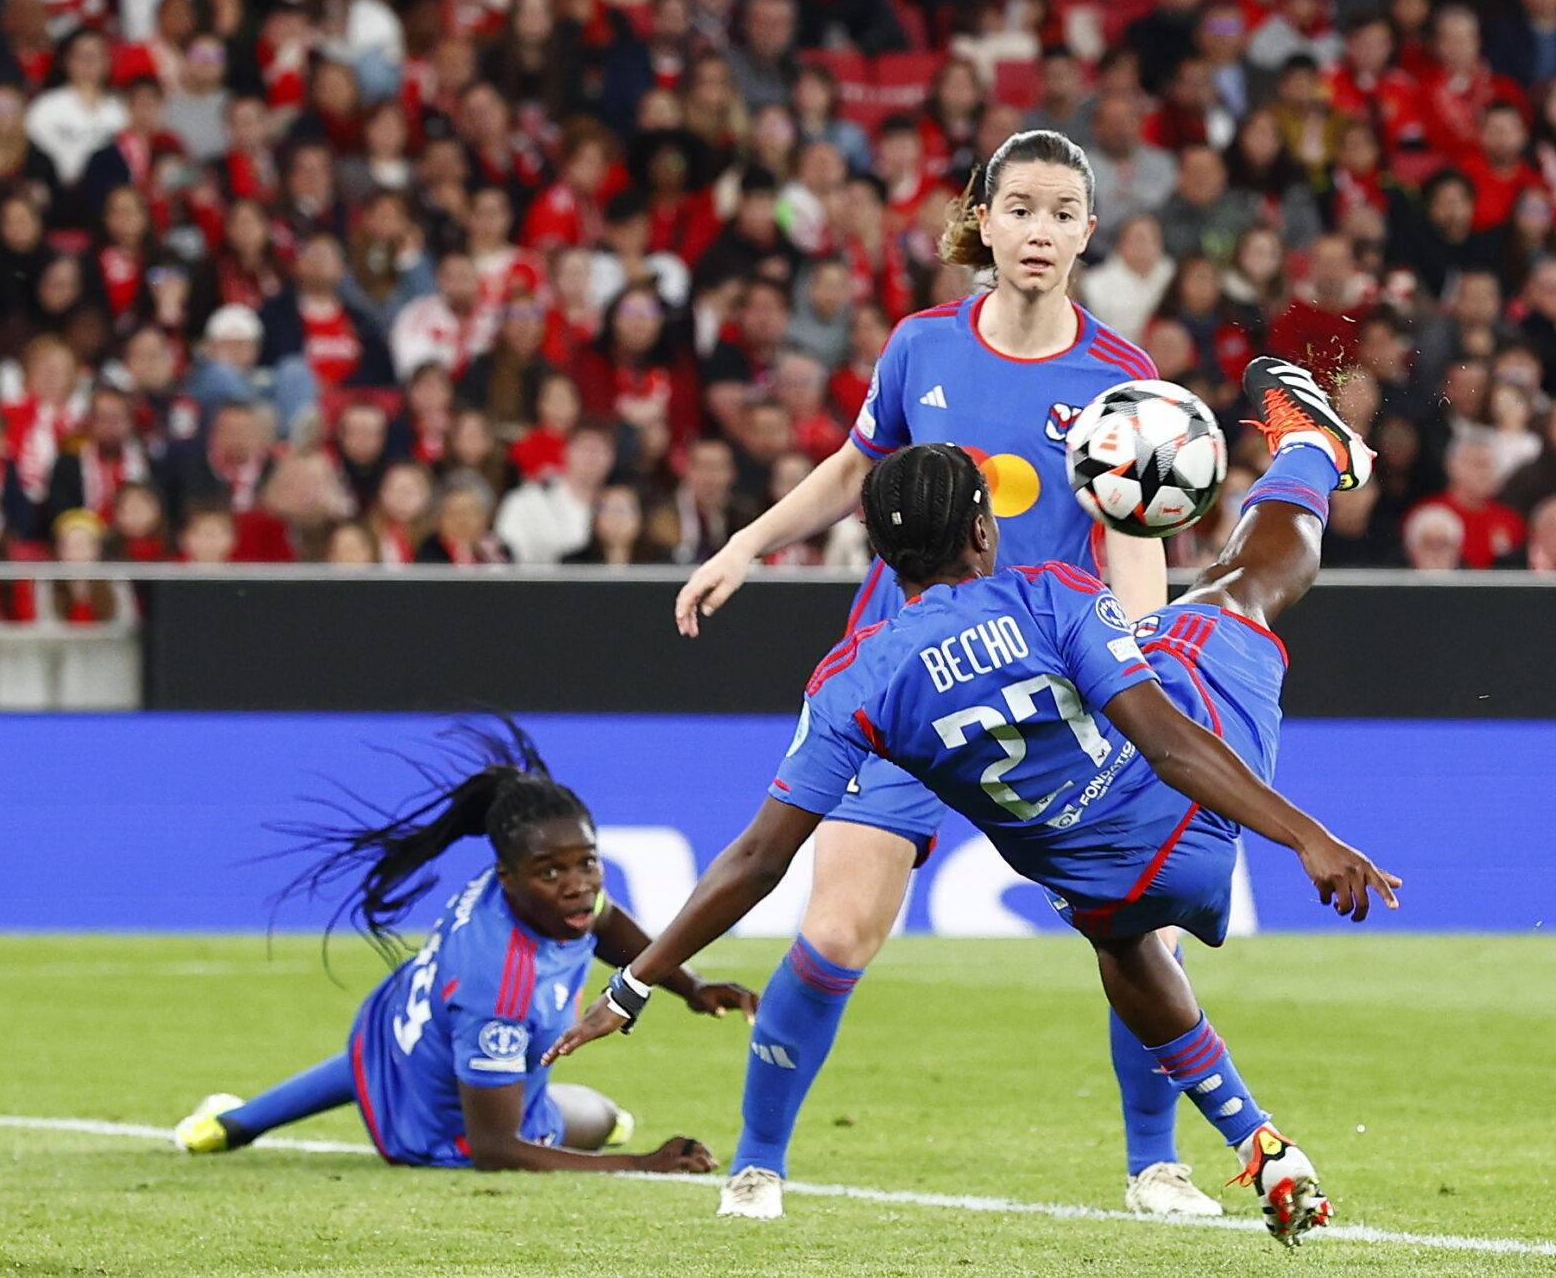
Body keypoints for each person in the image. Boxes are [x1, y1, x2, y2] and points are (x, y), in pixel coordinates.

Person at [551, 361, 1399, 1249]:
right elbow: (1169, 743)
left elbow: (759, 860)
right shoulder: (1054, 596)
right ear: (986, 532)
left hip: (1111, 880)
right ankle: (1310, 450)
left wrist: (635, 983)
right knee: (1237, 589)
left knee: (1120, 939)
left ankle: (1253, 1137)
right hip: (1198, 794)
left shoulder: (851, 682)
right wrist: (1307, 837)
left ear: (879, 557)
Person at [672, 129, 1204, 1220]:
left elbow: (1133, 530)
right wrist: (742, 546)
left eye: (1063, 213)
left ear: (1087, 234)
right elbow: (849, 469)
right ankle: (758, 1161)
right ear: (985, 218)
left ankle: (1156, 1164)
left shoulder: (1121, 378)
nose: (1041, 231)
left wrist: (1139, 655)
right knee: (834, 931)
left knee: (1129, 926)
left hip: (1052, 696)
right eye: (1021, 209)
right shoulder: (921, 346)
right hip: (912, 688)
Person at [171, 718, 752, 1170]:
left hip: (387, 1037)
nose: (577, 886)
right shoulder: (498, 983)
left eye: (587, 863)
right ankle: (240, 1122)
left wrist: (690, 985)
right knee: (603, 1122)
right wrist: (640, 1166)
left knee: (410, 1062)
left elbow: (606, 919)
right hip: (436, 1135)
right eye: (553, 872)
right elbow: (495, 1149)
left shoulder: (530, 895)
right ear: (509, 876)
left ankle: (234, 1123)